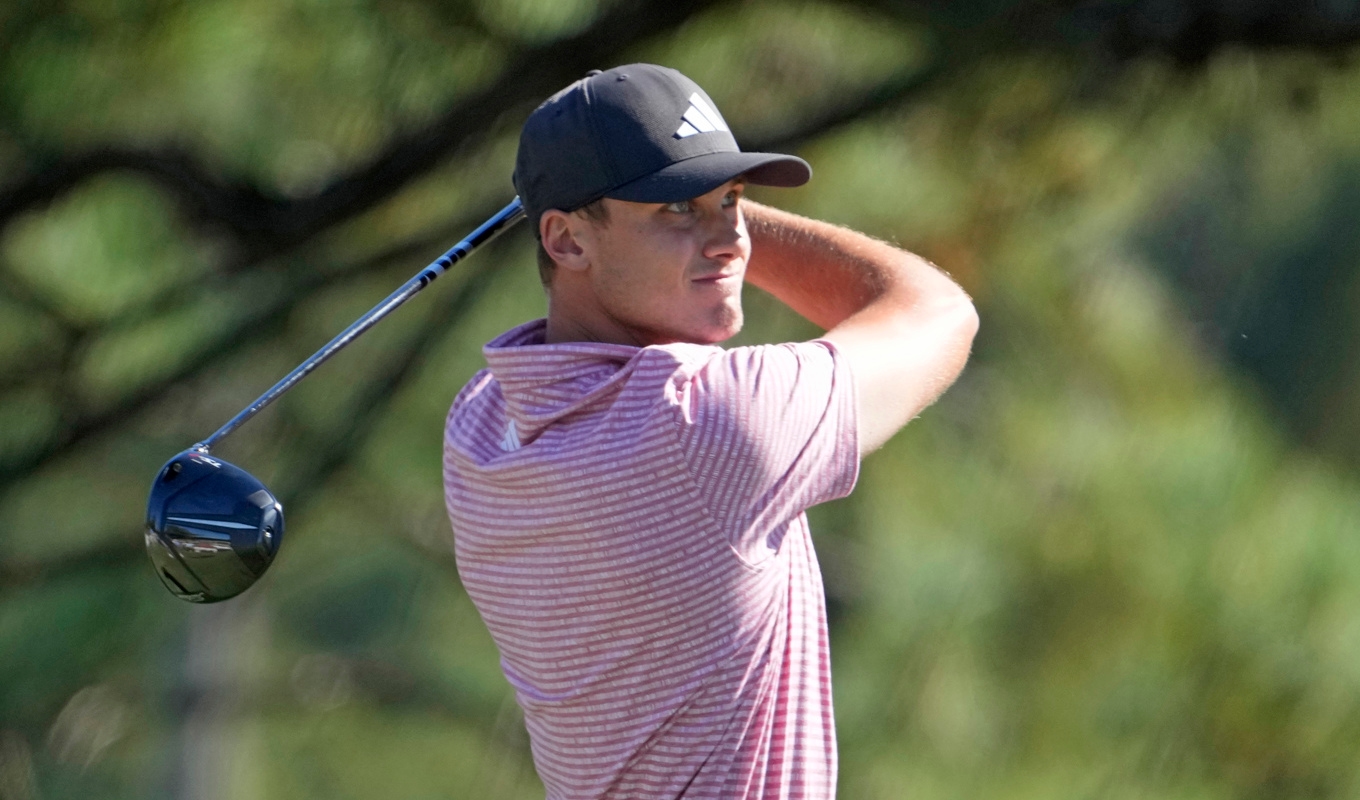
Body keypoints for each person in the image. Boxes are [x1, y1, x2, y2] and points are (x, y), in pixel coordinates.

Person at [443, 64, 978, 799]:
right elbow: (937, 311)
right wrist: (733, 218)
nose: (731, 240)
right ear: (564, 242)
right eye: (677, 209)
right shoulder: (706, 424)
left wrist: (671, 211)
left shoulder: (479, 432)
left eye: (733, 200)